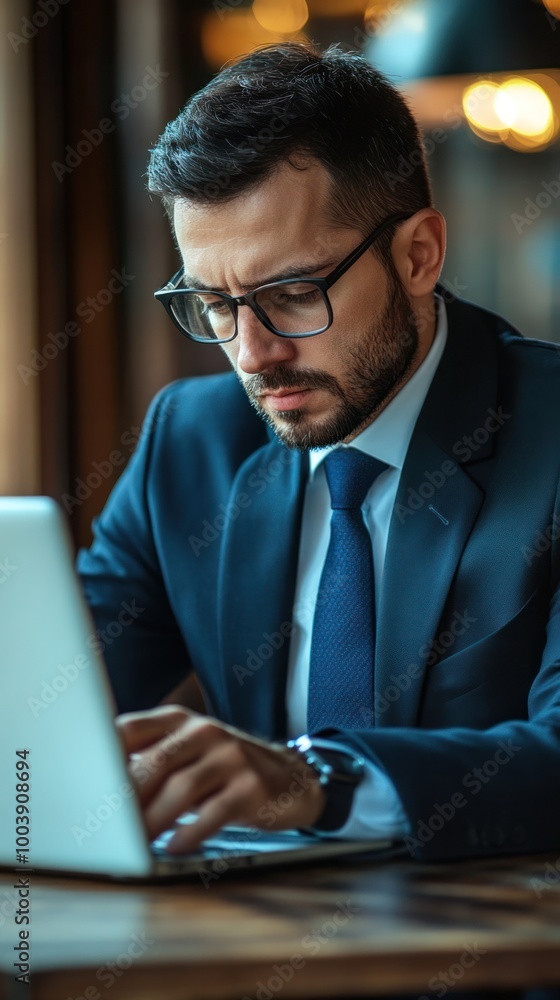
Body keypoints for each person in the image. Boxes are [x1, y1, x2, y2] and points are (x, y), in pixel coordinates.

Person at [77, 41, 560, 861]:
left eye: (293, 294)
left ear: (418, 254)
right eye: (215, 304)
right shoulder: (188, 444)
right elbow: (52, 712)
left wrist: (317, 783)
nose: (251, 354)